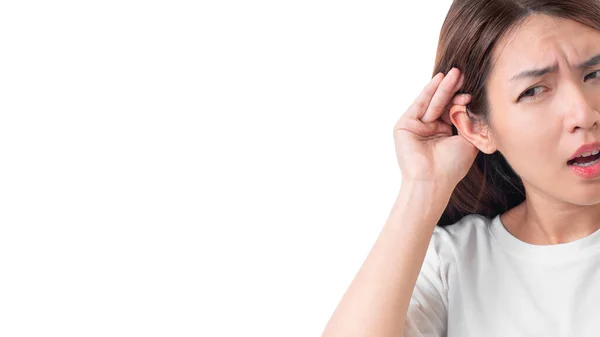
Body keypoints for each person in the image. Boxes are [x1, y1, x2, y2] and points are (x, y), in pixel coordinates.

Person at [321, 0, 600, 336]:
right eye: (534, 91)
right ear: (476, 128)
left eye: (595, 74)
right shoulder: (452, 261)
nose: (584, 114)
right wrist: (423, 185)